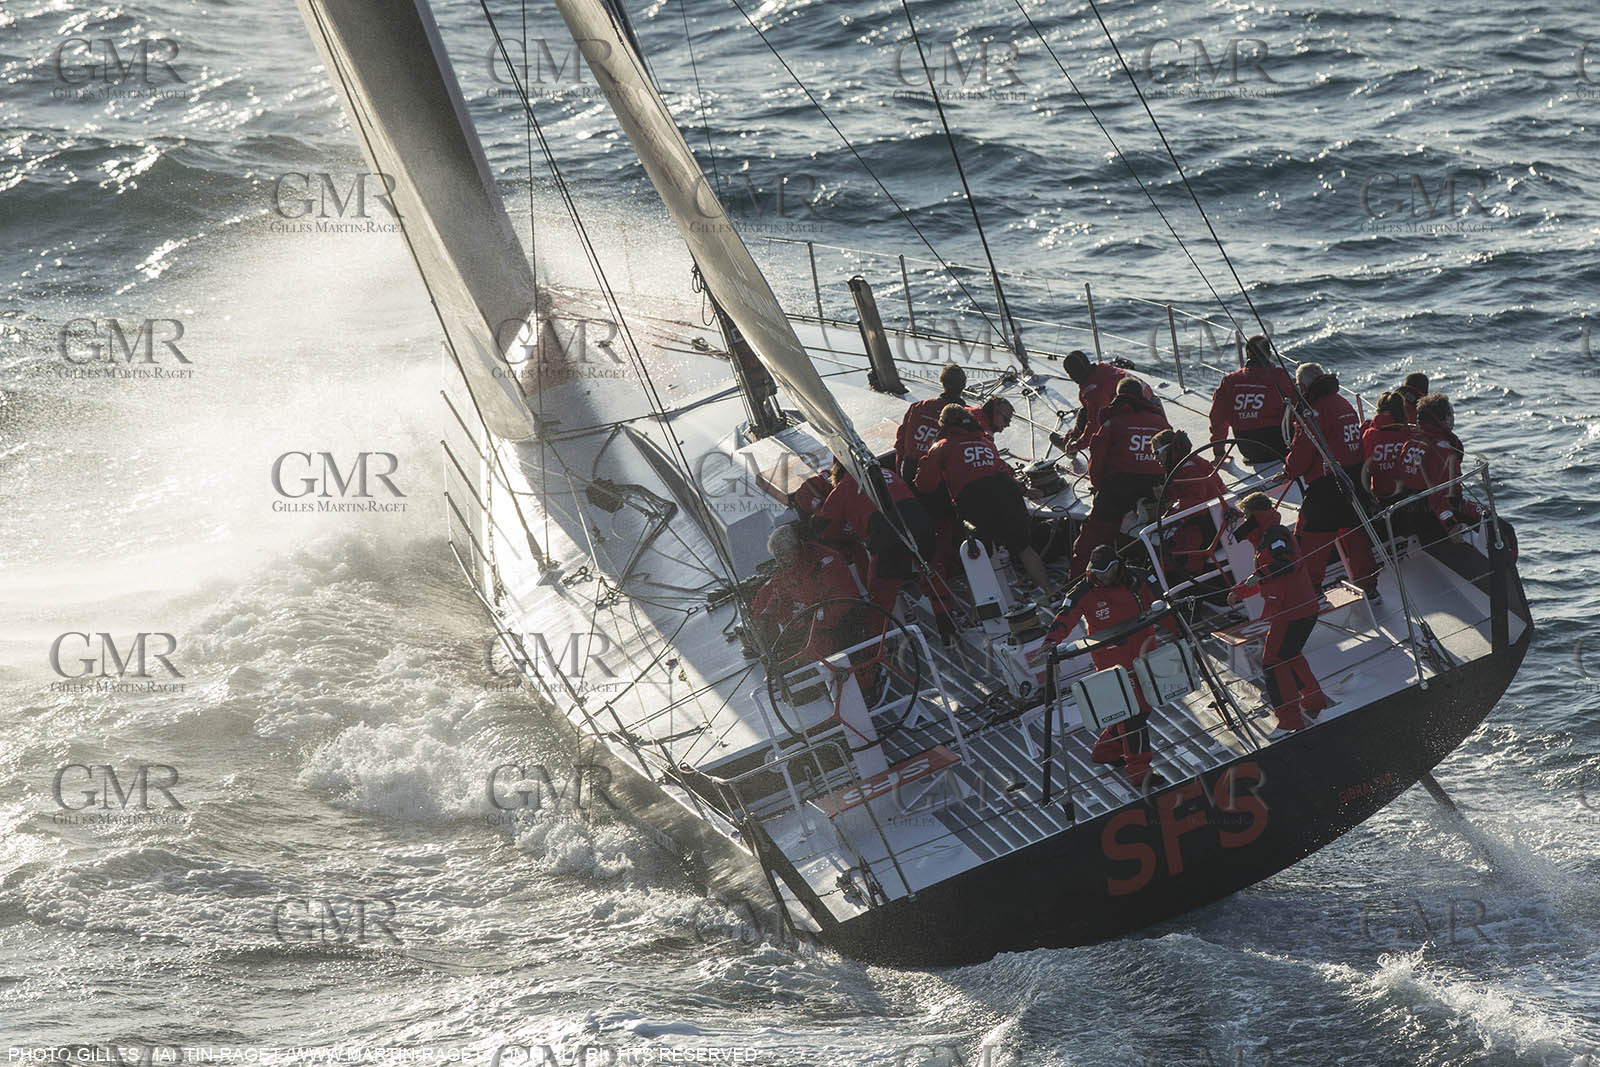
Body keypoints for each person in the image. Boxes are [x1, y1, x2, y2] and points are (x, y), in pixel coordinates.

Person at [1045, 544, 1175, 787]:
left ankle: (1104, 751)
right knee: (1133, 712)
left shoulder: (1139, 578)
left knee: (1144, 708)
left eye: (1106, 570)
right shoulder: (1082, 591)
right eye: (1098, 571)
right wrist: (1050, 642)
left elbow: (1163, 605)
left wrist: (1182, 631)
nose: (1101, 576)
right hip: (1112, 662)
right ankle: (1139, 771)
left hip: (1145, 653)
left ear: (1116, 567)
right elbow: (1065, 616)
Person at [915, 404, 1053, 596]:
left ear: (944, 425)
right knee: (1024, 548)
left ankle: (986, 611)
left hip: (974, 500)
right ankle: (1050, 592)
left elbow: (924, 484)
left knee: (978, 558)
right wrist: (1025, 490)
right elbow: (1001, 470)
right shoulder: (985, 442)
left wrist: (926, 461)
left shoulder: (942, 446)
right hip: (1007, 491)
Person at [1227, 493, 1327, 736]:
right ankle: (1314, 701)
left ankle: (1289, 720)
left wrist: (1259, 577)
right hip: (1295, 609)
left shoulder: (1275, 537)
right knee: (1288, 655)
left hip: (1292, 611)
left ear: (1255, 515)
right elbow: (1268, 572)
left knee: (1273, 661)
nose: (1244, 523)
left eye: (1246, 517)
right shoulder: (1269, 536)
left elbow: (1286, 563)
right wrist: (1239, 592)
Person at [1281, 362, 1380, 600]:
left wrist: (1288, 470)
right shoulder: (1343, 403)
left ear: (1303, 386)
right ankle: (1369, 588)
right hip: (1354, 480)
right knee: (1356, 538)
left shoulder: (1313, 412)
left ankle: (1309, 592)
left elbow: (1302, 453)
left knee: (1309, 540)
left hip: (1326, 487)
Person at [1066, 377, 1172, 579]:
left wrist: (1100, 488)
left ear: (1118, 396)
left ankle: (1077, 581)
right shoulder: (1160, 421)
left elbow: (1097, 459)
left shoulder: (1112, 421)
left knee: (1091, 539)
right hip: (1155, 488)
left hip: (1119, 487)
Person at [817, 460, 936, 620]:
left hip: (887, 540)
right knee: (934, 573)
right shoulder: (887, 472)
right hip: (921, 525)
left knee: (879, 597)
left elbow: (825, 526)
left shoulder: (843, 487)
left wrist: (849, 535)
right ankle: (947, 624)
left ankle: (885, 641)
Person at [752, 524, 864, 665]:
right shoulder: (790, 569)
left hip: (842, 622)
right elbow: (780, 595)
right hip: (813, 626)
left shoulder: (825, 562)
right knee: (783, 654)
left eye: (782, 554)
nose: (779, 561)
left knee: (811, 655)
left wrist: (810, 617)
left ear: (794, 549)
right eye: (776, 556)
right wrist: (767, 614)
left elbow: (841, 602)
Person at [1151, 428, 1228, 589]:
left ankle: (1188, 589)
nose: (1155, 458)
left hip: (1208, 522)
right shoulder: (1186, 465)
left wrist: (1169, 515)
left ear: (1168, 450)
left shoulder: (1187, 468)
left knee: (1176, 550)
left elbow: (1195, 502)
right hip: (1213, 517)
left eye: (1156, 453)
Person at [1399, 393, 1480, 544]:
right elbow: (1438, 498)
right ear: (1444, 418)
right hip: (1433, 518)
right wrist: (1451, 526)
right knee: (1497, 523)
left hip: (1410, 513)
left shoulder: (1411, 442)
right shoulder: (1441, 449)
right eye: (1451, 414)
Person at [1208, 334, 1296, 464]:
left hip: (1247, 449)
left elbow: (1217, 417)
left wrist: (1219, 452)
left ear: (1247, 354)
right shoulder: (1282, 377)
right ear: (1269, 354)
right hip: (1278, 448)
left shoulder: (1230, 381)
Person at [1056, 350, 1154, 454]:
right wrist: (1075, 434)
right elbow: (1088, 411)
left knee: (1102, 425)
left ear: (1074, 373)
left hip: (1139, 414)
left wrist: (1079, 445)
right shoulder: (1103, 368)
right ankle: (1071, 438)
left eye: (1069, 373)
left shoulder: (1094, 390)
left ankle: (1070, 448)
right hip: (1151, 400)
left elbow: (1095, 423)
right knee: (1086, 411)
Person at [895, 363, 966, 483]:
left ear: (941, 383)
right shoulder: (966, 415)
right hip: (937, 477)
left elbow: (900, 441)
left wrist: (899, 476)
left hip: (909, 470)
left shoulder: (918, 407)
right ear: (963, 385)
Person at [1361, 392, 1413, 525]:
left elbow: (1365, 468)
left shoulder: (1370, 435)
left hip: (1382, 498)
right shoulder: (1409, 433)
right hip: (1409, 497)